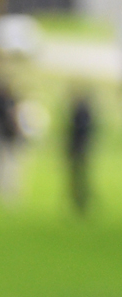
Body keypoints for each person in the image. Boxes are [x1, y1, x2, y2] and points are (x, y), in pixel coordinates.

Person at [66, 85, 96, 215]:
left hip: (79, 149)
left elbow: (78, 132)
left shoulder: (81, 112)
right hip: (80, 149)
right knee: (77, 178)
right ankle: (79, 203)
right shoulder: (84, 111)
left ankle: (81, 203)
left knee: (79, 178)